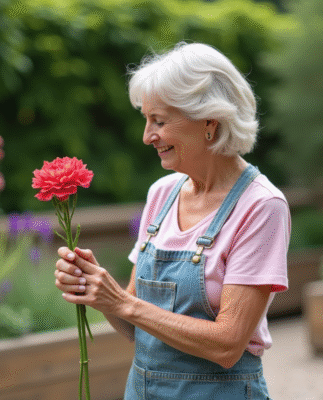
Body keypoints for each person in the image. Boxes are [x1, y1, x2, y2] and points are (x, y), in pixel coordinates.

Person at [55, 42, 290, 399]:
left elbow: (228, 344)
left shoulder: (261, 206)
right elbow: (135, 325)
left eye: (159, 121)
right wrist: (97, 291)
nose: (147, 136)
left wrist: (123, 303)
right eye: (147, 120)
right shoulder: (163, 194)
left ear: (209, 120)